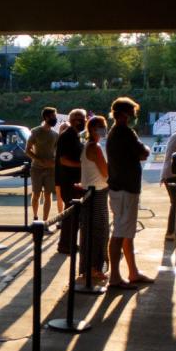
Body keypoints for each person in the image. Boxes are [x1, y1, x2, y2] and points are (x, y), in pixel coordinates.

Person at [105, 97, 153, 288]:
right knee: (120, 232)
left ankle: (132, 272)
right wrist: (144, 148)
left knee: (126, 232)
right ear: (125, 114)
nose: (134, 115)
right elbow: (144, 153)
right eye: (132, 112)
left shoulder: (115, 133)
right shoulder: (125, 132)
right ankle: (115, 277)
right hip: (125, 189)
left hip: (121, 187)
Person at [78, 115, 110, 284]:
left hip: (90, 191)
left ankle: (89, 267)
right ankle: (95, 268)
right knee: (99, 231)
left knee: (89, 231)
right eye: (102, 126)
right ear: (92, 129)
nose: (104, 129)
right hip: (97, 193)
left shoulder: (87, 146)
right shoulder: (95, 147)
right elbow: (105, 172)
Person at [54, 109, 85, 254]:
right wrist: (83, 165)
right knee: (71, 215)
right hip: (68, 181)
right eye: (78, 118)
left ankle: (69, 243)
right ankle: (65, 244)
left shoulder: (75, 136)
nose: (82, 121)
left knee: (74, 215)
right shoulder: (67, 136)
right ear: (71, 120)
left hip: (75, 181)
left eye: (83, 118)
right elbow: (63, 160)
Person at [24, 106, 59, 229]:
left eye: (55, 116)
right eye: (53, 116)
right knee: (36, 193)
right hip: (36, 169)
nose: (55, 119)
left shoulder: (55, 135)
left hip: (51, 169)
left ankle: (45, 222)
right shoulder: (35, 132)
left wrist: (54, 162)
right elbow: (27, 150)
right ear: (46, 117)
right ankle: (35, 218)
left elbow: (58, 152)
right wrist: (40, 160)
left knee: (48, 195)